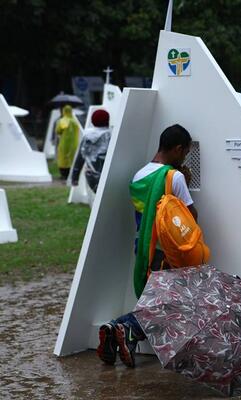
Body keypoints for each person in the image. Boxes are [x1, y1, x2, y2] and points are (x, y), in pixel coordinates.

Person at [97, 124, 199, 368]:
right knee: (171, 306)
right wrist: (184, 180)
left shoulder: (139, 175)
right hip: (167, 252)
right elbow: (190, 216)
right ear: (177, 149)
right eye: (185, 153)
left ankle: (115, 333)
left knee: (160, 302)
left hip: (144, 248)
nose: (185, 157)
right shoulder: (173, 178)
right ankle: (127, 328)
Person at [71, 109, 112, 193]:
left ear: (93, 121)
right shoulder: (110, 135)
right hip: (109, 176)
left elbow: (80, 157)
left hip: (91, 176)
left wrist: (75, 177)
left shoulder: (87, 136)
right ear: (107, 120)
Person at [55, 105, 80, 179]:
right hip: (74, 143)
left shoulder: (63, 120)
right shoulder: (75, 121)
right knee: (72, 159)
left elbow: (58, 131)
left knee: (63, 159)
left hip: (64, 143)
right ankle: (71, 174)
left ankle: (64, 175)